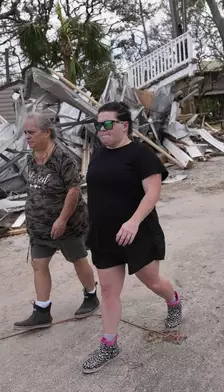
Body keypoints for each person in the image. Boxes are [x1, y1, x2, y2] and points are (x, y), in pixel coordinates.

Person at [81, 101, 182, 374]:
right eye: (97, 125)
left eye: (107, 124)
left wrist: (134, 222)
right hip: (104, 236)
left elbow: (152, 193)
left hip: (137, 234)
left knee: (153, 282)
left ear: (124, 125)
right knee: (108, 291)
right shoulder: (98, 154)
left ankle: (173, 300)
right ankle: (109, 344)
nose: (101, 129)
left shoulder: (141, 155)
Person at [14, 112, 99, 330]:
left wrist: (61, 220)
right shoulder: (30, 157)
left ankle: (91, 295)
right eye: (25, 133)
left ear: (46, 132)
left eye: (31, 132)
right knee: (39, 264)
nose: (27, 137)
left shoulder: (63, 158)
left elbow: (73, 191)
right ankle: (42, 311)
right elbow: (35, 189)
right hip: (40, 227)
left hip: (68, 225)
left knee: (78, 259)